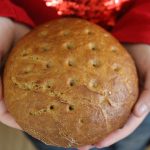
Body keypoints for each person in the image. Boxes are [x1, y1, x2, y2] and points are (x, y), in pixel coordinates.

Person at [0, 0, 150, 150]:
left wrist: (144, 32)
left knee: (132, 140)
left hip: (137, 62)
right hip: (24, 29)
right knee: (51, 139)